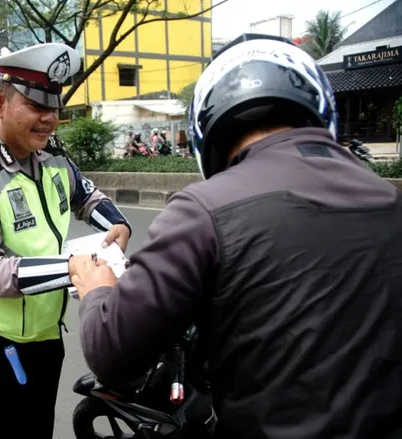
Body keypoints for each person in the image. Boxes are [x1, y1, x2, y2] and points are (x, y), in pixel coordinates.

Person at [71, 33, 402, 439]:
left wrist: (98, 290)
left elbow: (112, 352)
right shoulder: (390, 200)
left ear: (206, 130)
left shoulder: (203, 209)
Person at [0, 42, 132, 439]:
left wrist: (117, 223)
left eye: (54, 108)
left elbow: (84, 195)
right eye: (36, 107)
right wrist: (72, 269)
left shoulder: (51, 153)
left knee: (38, 429)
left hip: (44, 335)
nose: (49, 120)